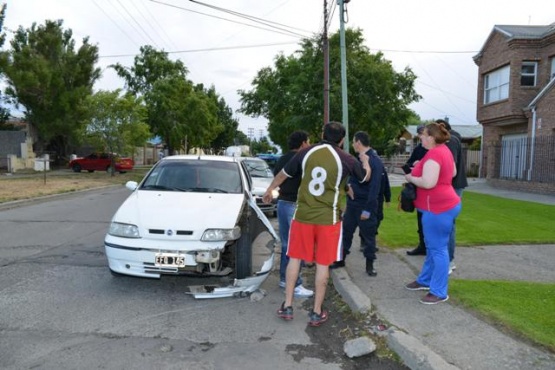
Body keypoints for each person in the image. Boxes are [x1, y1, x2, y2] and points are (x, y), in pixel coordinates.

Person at [262, 122, 370, 326]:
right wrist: (365, 161)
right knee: (323, 264)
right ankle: (316, 311)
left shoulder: (306, 152)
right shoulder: (346, 158)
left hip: (302, 215)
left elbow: (283, 174)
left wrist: (270, 189)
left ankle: (287, 305)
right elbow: (364, 178)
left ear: (322, 134)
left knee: (294, 259)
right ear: (342, 139)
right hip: (328, 219)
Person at [403, 122, 461, 304]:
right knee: (433, 247)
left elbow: (428, 183)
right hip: (443, 204)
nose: (420, 137)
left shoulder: (435, 153)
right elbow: (452, 172)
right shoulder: (444, 150)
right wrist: (423, 167)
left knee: (438, 250)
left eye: (423, 134)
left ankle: (439, 291)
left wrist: (411, 177)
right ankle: (425, 280)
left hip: (438, 208)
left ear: (431, 137)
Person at [330, 131, 384, 277]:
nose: (353, 144)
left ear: (358, 142)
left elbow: (375, 188)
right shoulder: (356, 160)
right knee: (346, 233)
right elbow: (350, 179)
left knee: (368, 237)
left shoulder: (374, 160)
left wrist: (368, 210)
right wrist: (348, 188)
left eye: (353, 142)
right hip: (353, 205)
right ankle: (340, 259)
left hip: (366, 205)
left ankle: (370, 265)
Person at [273, 130, 313, 298]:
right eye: (309, 141)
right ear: (303, 143)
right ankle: (295, 284)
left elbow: (278, 177)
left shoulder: (282, 159)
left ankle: (284, 278)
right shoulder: (302, 160)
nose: (310, 145)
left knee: (285, 245)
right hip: (295, 205)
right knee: (296, 247)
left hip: (282, 204)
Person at [435, 119, 468, 274]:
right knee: (445, 223)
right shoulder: (453, 139)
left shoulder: (451, 141)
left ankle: (449, 261)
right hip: (453, 186)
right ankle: (445, 258)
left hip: (453, 186)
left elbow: (450, 167)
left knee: (448, 223)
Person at [405, 124, 428, 256]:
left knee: (430, 220)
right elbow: (408, 163)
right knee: (421, 218)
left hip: (430, 190)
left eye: (422, 134)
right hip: (418, 188)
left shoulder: (436, 150)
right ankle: (422, 245)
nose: (420, 136)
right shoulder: (419, 149)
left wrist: (422, 164)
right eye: (419, 134)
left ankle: (431, 247)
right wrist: (413, 165)